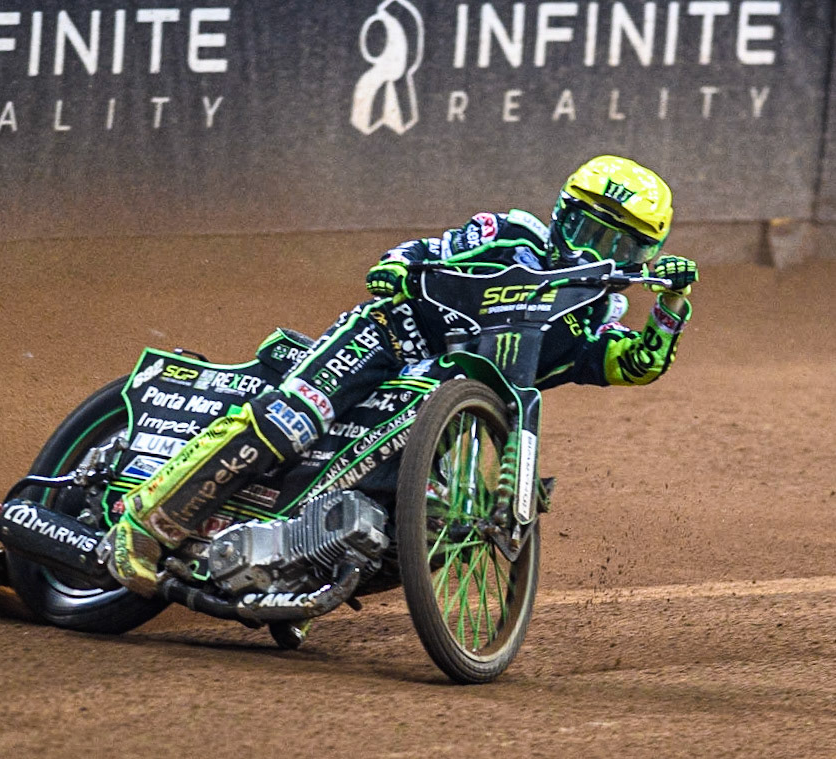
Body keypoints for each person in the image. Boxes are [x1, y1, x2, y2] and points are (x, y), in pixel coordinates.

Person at [103, 154, 699, 597]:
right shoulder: (512, 234)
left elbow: (640, 362)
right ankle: (146, 524)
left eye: (623, 246)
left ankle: (302, 566)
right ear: (561, 214)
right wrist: (395, 271)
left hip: (443, 399)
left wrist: (670, 303)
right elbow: (418, 252)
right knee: (292, 420)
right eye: (589, 231)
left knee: (421, 509)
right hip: (387, 339)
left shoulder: (594, 316)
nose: (598, 251)